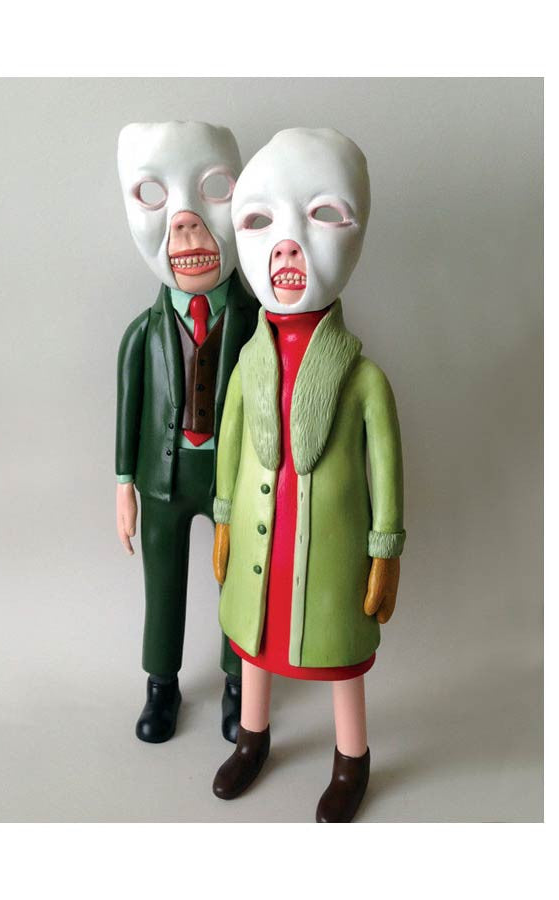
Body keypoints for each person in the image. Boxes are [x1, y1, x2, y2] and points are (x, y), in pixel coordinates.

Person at [210, 128, 406, 821]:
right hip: (257, 545)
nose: (286, 247)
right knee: (255, 638)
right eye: (261, 222)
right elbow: (231, 445)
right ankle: (253, 737)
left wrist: (385, 549)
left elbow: (387, 468)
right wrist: (225, 516)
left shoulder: (364, 379)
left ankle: (352, 758)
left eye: (321, 215)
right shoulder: (247, 365)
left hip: (330, 554)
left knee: (339, 656)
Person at [115, 121, 260, 743]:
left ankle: (238, 683)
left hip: (236, 483)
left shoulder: (260, 325)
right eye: (155, 197)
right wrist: (124, 484)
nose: (186, 224)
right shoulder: (142, 335)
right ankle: (161, 685)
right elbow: (128, 412)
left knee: (241, 583)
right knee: (163, 585)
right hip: (163, 482)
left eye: (213, 191)